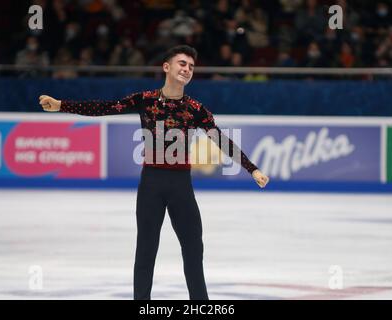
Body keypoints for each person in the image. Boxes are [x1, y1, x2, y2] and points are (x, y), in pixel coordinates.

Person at [39, 45, 269, 300]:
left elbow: (222, 140)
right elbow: (105, 107)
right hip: (151, 183)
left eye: (191, 67)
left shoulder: (195, 109)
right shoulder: (145, 100)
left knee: (193, 249)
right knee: (146, 250)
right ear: (166, 67)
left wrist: (252, 168)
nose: (187, 69)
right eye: (182, 63)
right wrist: (61, 105)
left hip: (181, 185)